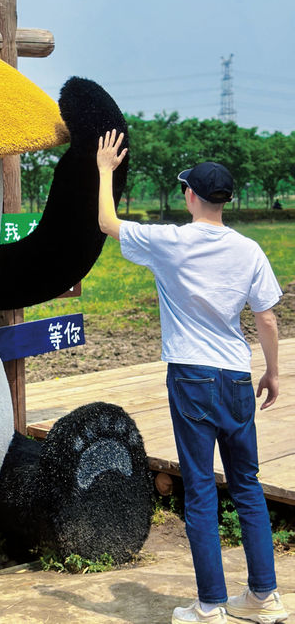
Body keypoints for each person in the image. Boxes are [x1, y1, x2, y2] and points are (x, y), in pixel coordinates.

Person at [96, 129, 288, 624]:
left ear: (189, 195)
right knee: (247, 484)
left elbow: (107, 222)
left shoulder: (170, 242)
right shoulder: (249, 250)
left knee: (202, 487)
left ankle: (209, 606)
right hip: (236, 376)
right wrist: (273, 371)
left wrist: (104, 171)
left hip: (191, 377)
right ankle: (263, 598)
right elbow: (266, 316)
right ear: (225, 200)